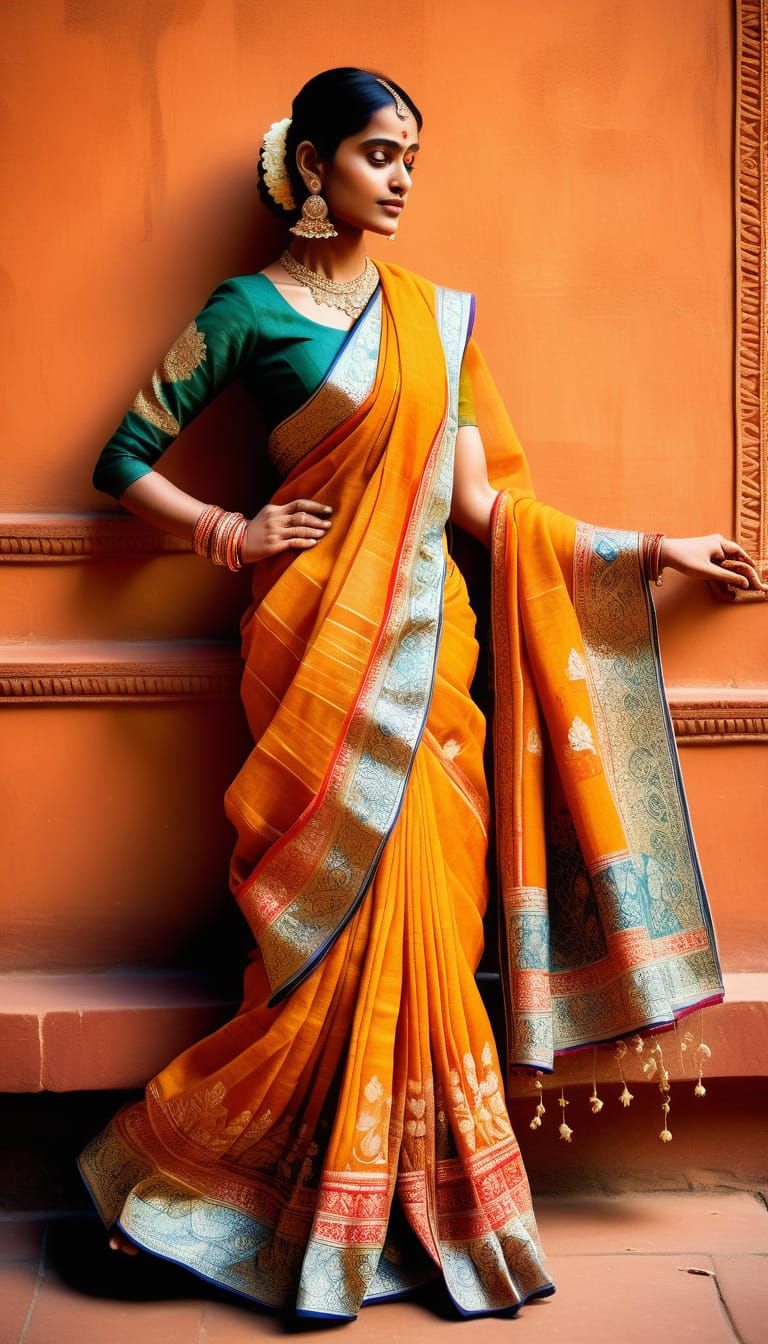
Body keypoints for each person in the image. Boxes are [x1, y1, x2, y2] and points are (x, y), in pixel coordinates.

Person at [77, 67, 767, 1322]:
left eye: (410, 160)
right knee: (319, 938)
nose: (399, 180)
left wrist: (654, 550)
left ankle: (422, 1202)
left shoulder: (435, 324)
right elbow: (121, 459)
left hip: (429, 660)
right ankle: (204, 1183)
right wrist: (230, 531)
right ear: (313, 164)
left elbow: (483, 508)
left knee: (432, 924)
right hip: (314, 655)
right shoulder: (245, 311)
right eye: (378, 154)